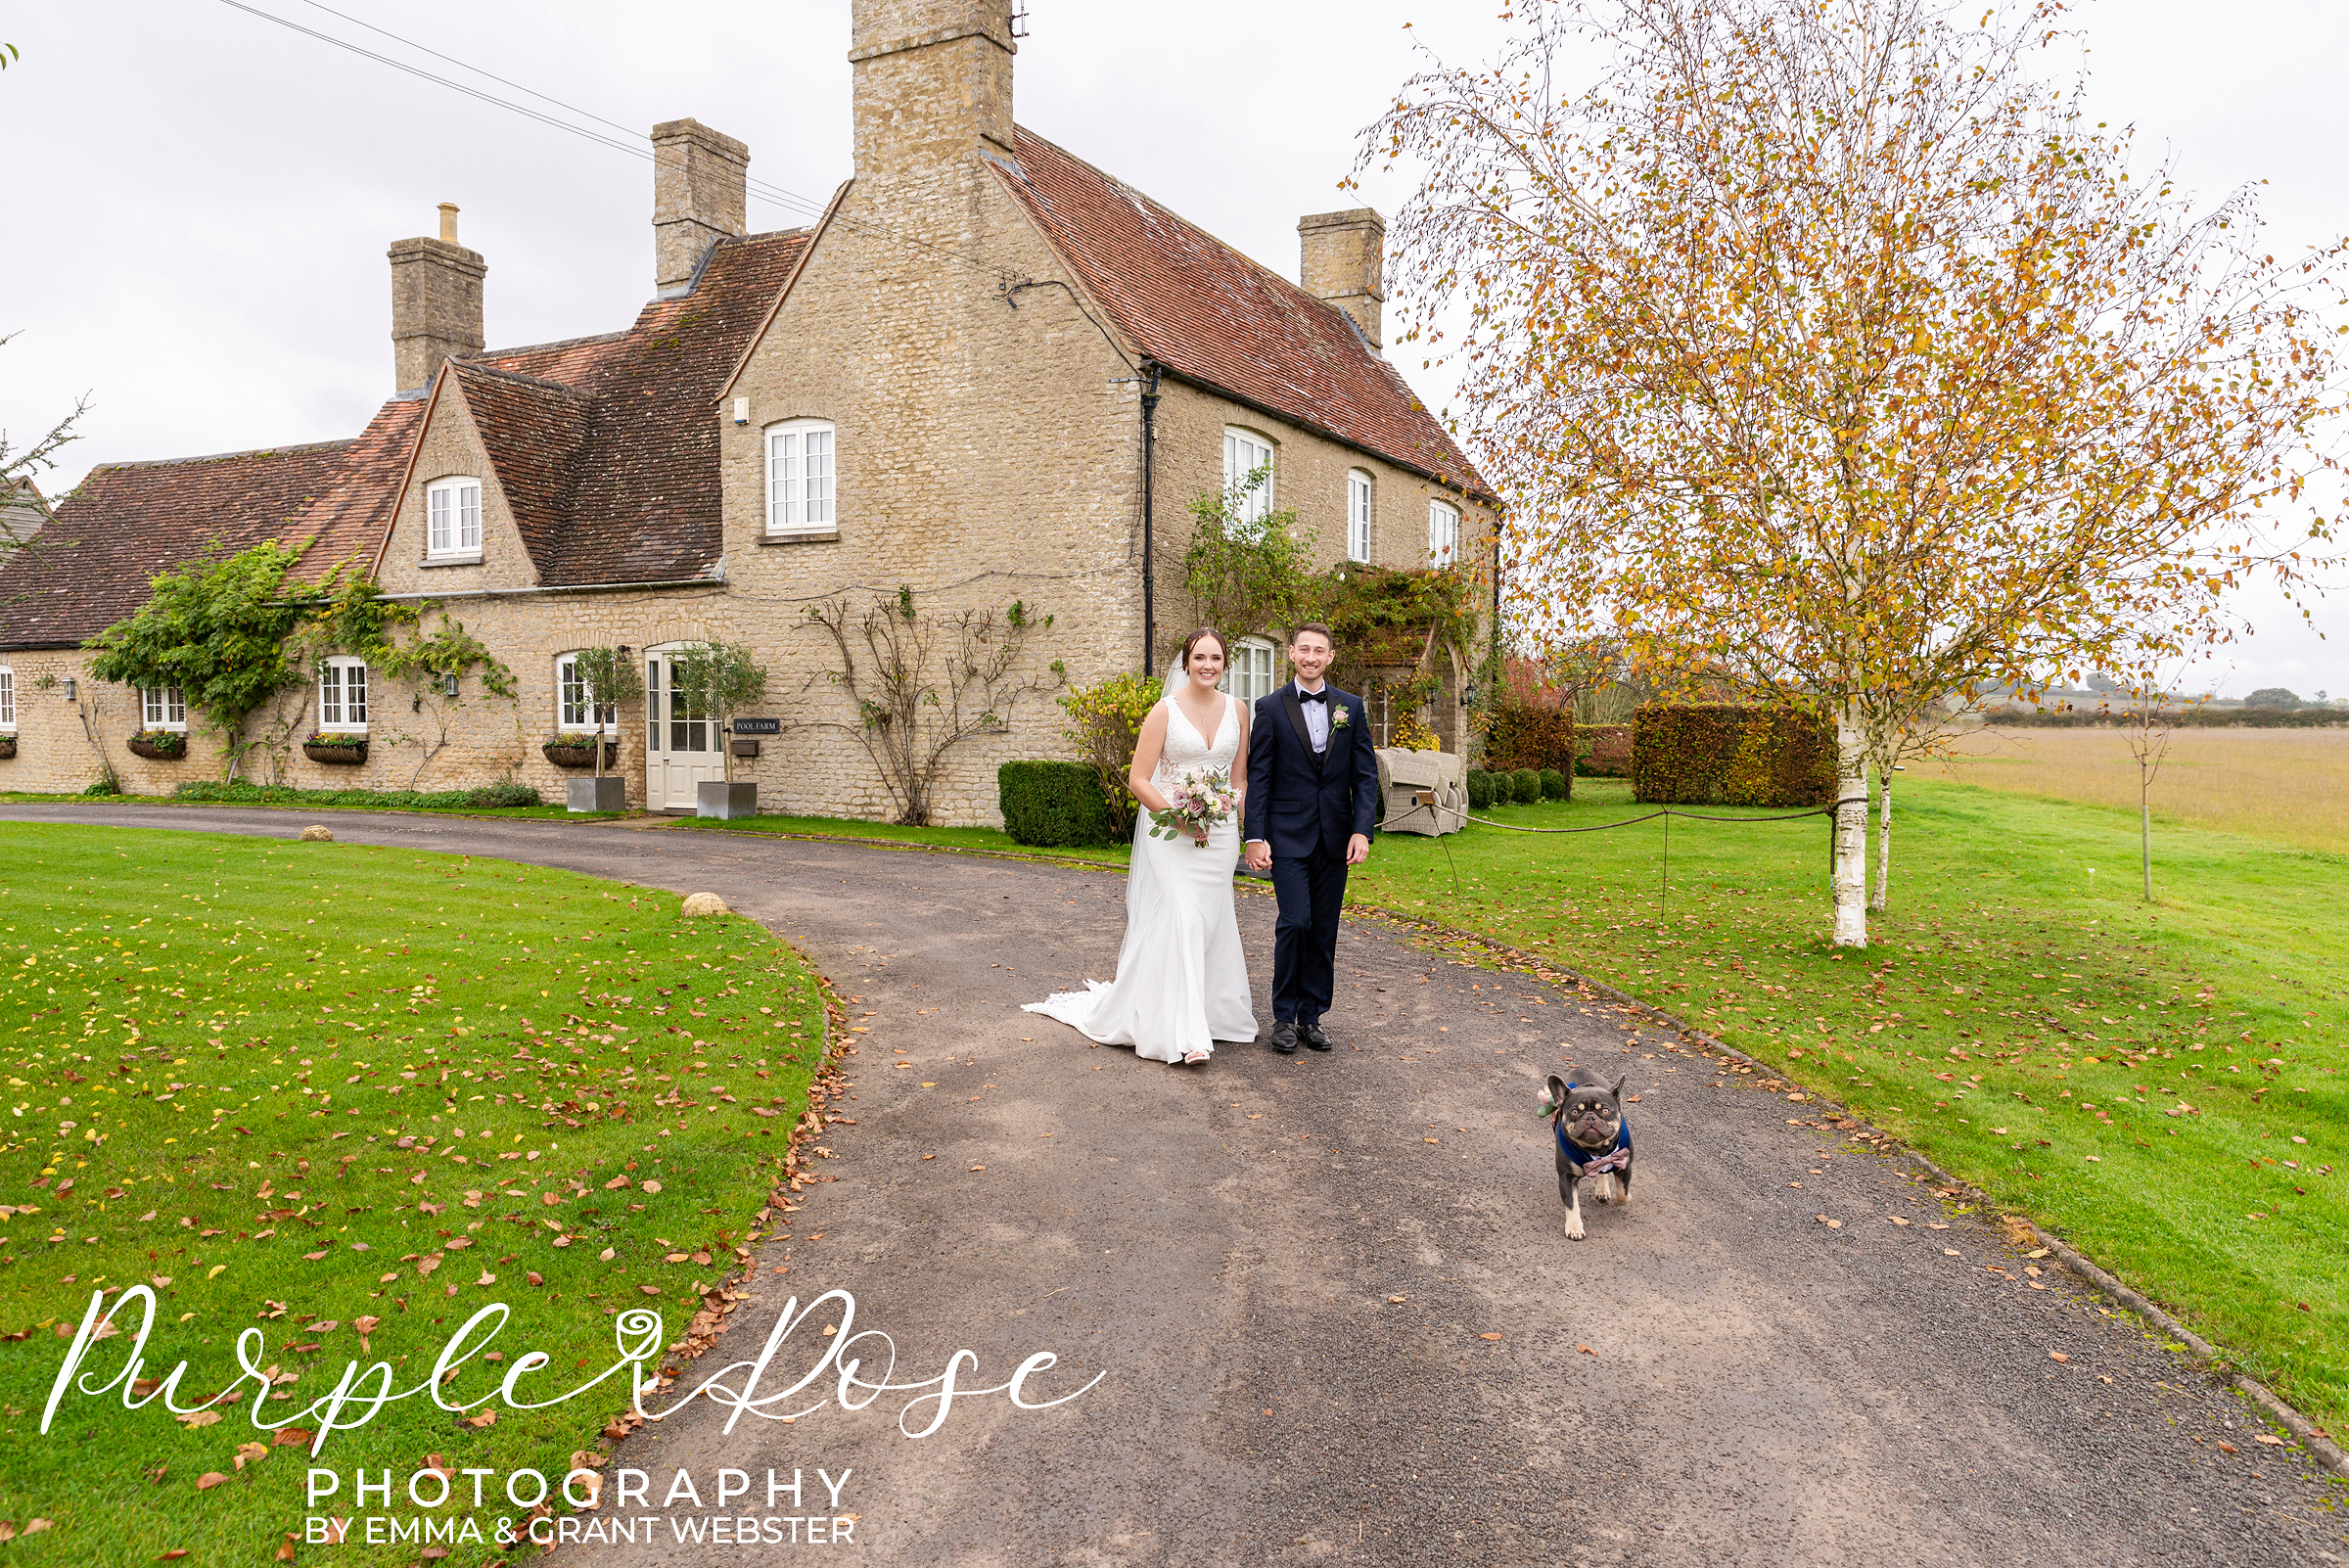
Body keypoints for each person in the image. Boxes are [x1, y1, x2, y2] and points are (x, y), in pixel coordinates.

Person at [1024, 628, 1258, 1065]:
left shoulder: (1239, 710)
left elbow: (1239, 777)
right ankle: (1187, 1034)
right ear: (1186, 662)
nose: (1208, 665)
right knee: (1183, 916)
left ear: (1226, 664)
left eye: (1217, 658)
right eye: (1200, 657)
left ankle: (1213, 1013)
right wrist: (1178, 817)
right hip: (1171, 830)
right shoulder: (1164, 711)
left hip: (1221, 831)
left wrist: (1248, 829)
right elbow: (1138, 779)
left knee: (1211, 920)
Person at [1242, 623, 1378, 1053]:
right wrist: (1255, 837)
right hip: (1286, 837)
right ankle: (1283, 1016)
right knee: (1295, 922)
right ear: (1292, 654)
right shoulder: (1270, 707)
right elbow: (1259, 777)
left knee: (1323, 930)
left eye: (1319, 650)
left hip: (1336, 838)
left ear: (1330, 657)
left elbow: (1366, 776)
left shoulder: (1351, 708)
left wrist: (1361, 829)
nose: (1311, 657)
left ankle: (1312, 1017)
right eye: (1304, 649)